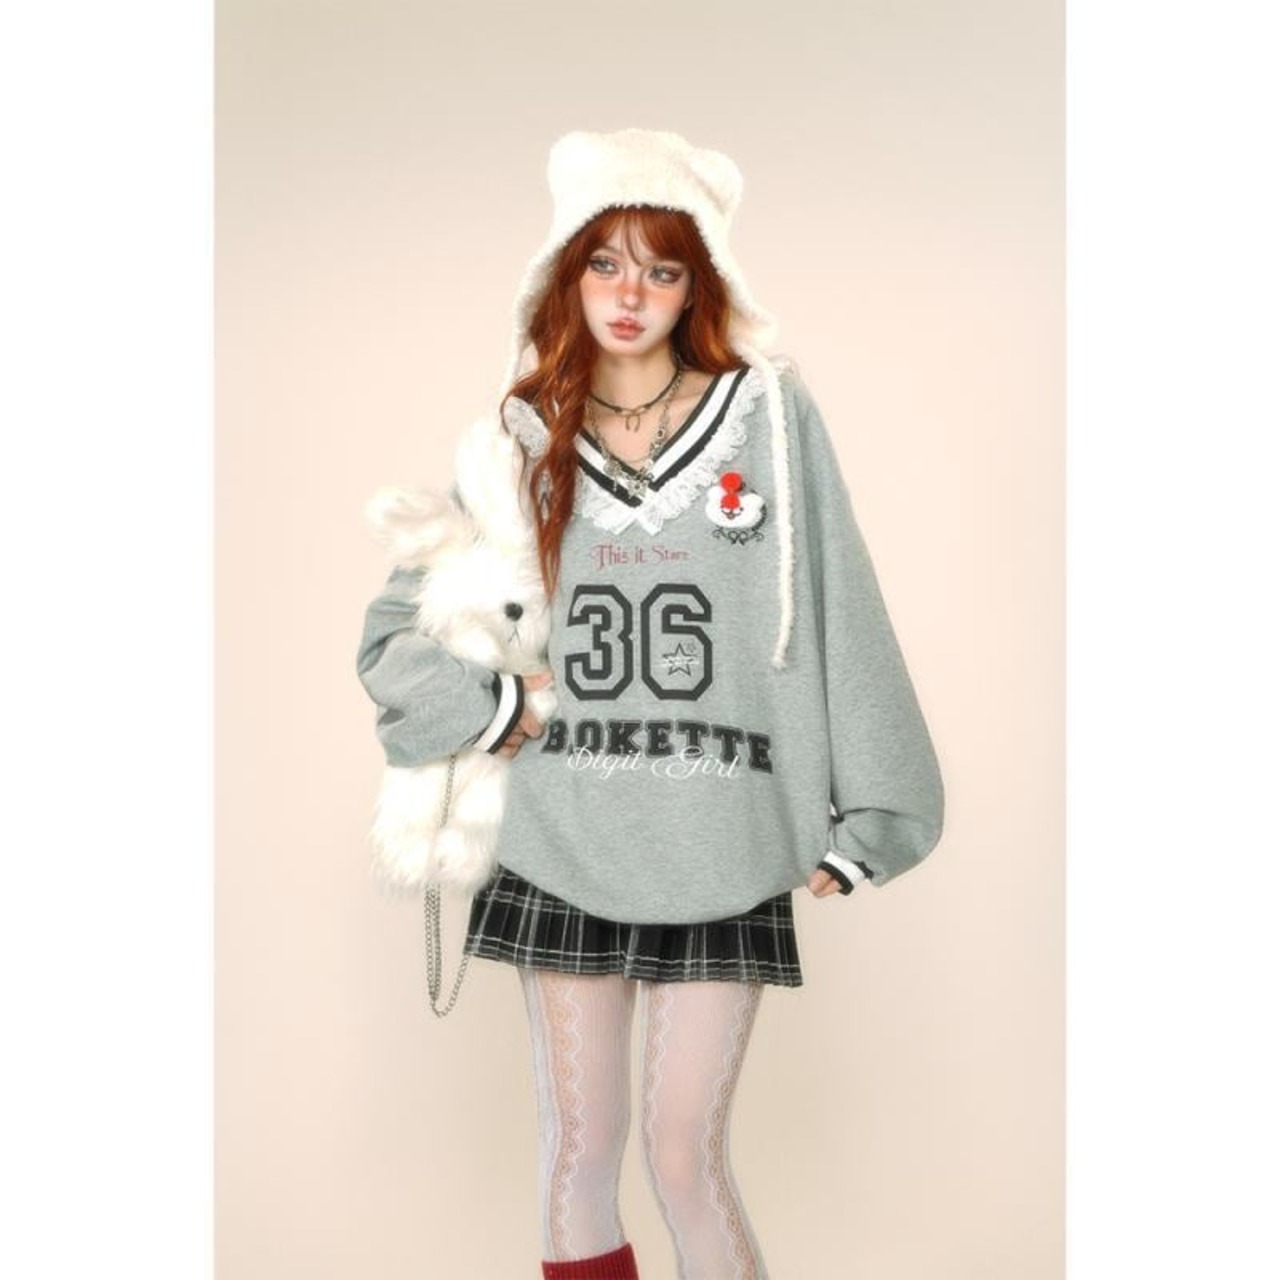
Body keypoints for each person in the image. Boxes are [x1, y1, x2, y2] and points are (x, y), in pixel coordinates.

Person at [356, 128, 945, 1280]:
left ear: (697, 284)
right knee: (577, 1147)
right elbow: (394, 632)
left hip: (722, 832)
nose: (630, 294)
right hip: (563, 832)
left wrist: (878, 810)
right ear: (564, 273)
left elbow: (839, 597)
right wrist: (492, 704)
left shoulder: (767, 415)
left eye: (662, 268)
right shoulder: (519, 438)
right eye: (606, 263)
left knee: (685, 1157)